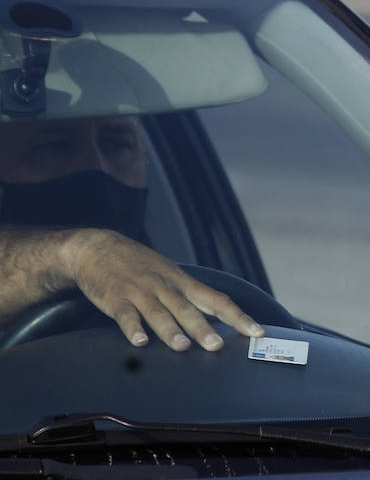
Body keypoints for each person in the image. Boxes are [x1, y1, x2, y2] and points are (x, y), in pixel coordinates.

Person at [0, 115, 264, 352]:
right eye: (55, 147)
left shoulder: (189, 292)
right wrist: (79, 252)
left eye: (116, 145)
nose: (97, 167)